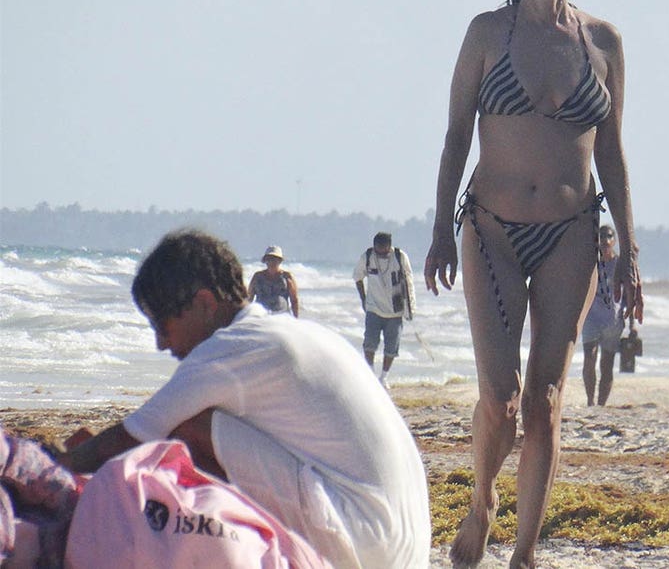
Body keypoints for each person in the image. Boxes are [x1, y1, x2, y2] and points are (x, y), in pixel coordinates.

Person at [423, 0, 642, 568]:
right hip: (492, 230)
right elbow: (458, 132)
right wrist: (437, 228)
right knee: (500, 395)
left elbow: (612, 153)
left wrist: (627, 252)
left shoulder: (603, 42)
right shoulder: (488, 33)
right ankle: (483, 499)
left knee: (546, 400)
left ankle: (524, 552)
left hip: (573, 233)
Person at [58, 229, 431, 567]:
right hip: (401, 548)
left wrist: (58, 467)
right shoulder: (286, 333)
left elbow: (138, 434)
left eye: (163, 326)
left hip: (364, 543)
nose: (161, 344)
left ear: (205, 304)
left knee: (185, 430)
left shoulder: (232, 346)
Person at [354, 231, 415, 385]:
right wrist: (363, 298)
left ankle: (384, 376)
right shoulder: (367, 257)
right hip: (373, 308)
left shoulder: (400, 257)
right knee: (370, 343)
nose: (380, 253)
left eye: (384, 250)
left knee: (392, 347)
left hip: (395, 310)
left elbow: (409, 282)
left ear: (389, 247)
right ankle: (370, 373)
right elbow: (358, 277)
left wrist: (410, 308)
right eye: (378, 249)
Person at [581, 225, 625, 406]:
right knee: (589, 359)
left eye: (608, 237)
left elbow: (628, 295)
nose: (605, 241)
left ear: (614, 241)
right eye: (601, 237)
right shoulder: (590, 263)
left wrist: (632, 325)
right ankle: (590, 401)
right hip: (591, 318)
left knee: (607, 364)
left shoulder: (620, 264)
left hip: (612, 321)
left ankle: (601, 404)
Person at [247, 245, 300, 317]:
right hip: (260, 316)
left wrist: (295, 319)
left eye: (275, 259)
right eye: (269, 259)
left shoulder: (287, 277)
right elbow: (249, 298)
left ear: (280, 261)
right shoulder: (257, 276)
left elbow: (294, 300)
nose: (272, 262)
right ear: (265, 260)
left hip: (282, 316)